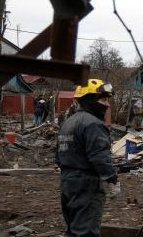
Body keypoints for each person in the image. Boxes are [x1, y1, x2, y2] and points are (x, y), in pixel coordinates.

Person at [56, 79, 118, 237]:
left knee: (73, 229)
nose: (107, 104)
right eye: (103, 99)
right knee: (85, 232)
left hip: (67, 181)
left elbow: (58, 156)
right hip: (86, 184)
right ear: (90, 100)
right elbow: (99, 156)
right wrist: (112, 178)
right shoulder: (93, 124)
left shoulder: (68, 122)